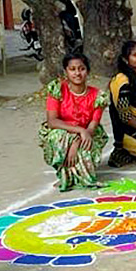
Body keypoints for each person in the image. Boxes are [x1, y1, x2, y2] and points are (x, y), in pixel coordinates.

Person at [39, 52, 109, 191]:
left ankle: (78, 176)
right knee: (58, 137)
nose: (77, 73)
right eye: (72, 69)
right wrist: (77, 134)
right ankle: (66, 176)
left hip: (87, 134)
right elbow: (52, 121)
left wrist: (81, 137)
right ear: (66, 71)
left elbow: (92, 126)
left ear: (87, 71)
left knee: (86, 146)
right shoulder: (57, 89)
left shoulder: (98, 96)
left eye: (81, 69)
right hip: (63, 131)